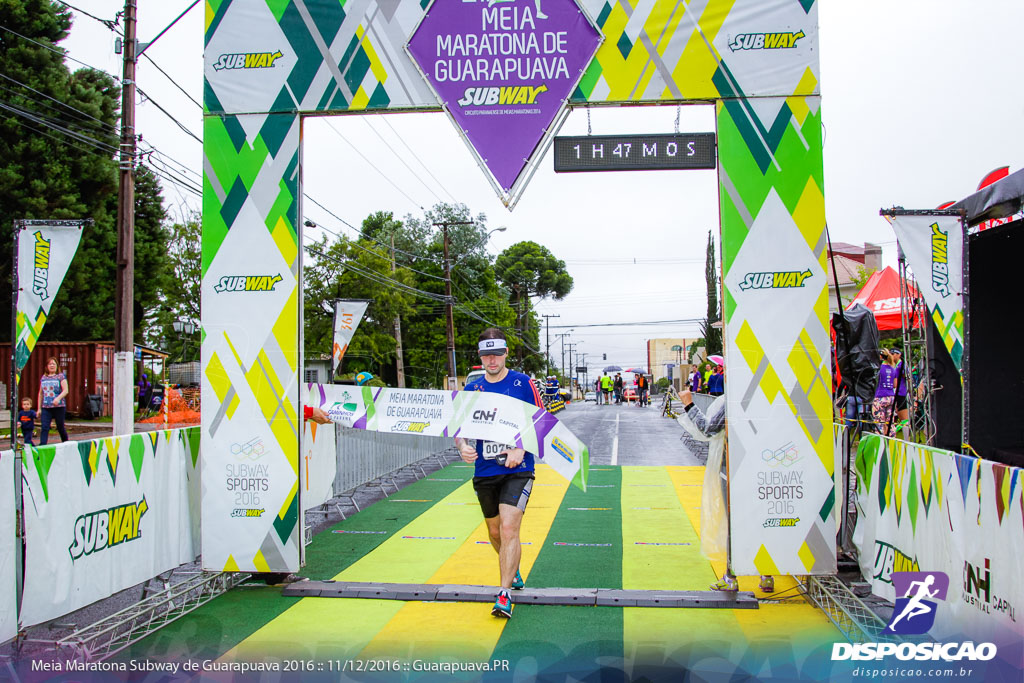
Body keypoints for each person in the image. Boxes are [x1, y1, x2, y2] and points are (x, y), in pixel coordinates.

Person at [455, 328, 543, 619]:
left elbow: (542, 422)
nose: (491, 360)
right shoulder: (472, 389)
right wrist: (463, 446)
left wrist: (520, 449)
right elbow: (459, 429)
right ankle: (513, 568)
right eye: (486, 355)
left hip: (519, 469)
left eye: (496, 354)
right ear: (480, 357)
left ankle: (503, 594)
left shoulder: (523, 383)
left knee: (508, 529)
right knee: (494, 532)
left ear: (506, 353)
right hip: (486, 469)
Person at [674, 386, 774, 593]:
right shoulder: (767, 397)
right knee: (760, 519)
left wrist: (688, 403)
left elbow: (708, 428)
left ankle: (731, 576)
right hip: (764, 466)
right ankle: (766, 574)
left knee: (735, 524)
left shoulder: (735, 400)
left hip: (734, 468)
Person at [38, 356, 69, 444]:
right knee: (44, 427)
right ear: (47, 366)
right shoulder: (44, 377)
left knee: (60, 426)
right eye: (50, 364)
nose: (52, 366)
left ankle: (66, 443)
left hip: (58, 406)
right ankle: (42, 446)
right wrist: (39, 408)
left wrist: (58, 398)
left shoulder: (60, 376)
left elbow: (66, 390)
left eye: (53, 364)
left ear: (57, 366)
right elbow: (40, 393)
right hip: (46, 406)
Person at [872, 349, 898, 436]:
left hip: (880, 397)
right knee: (890, 422)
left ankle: (880, 442)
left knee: (879, 422)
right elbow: (895, 385)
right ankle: (892, 441)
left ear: (880, 357)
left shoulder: (878, 368)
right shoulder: (892, 368)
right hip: (891, 396)